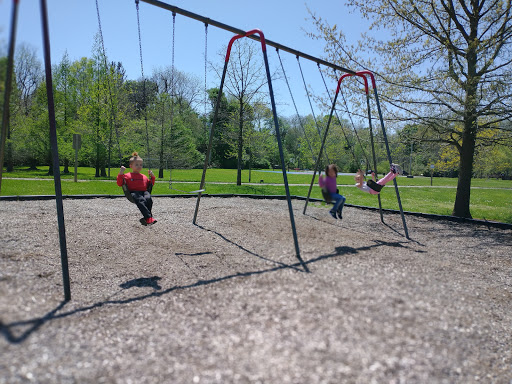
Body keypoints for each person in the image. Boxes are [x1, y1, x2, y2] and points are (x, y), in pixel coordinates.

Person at [117, 152, 157, 225]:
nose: (139, 166)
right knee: (141, 200)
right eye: (137, 165)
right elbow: (120, 183)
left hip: (144, 192)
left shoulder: (144, 176)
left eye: (141, 165)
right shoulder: (127, 176)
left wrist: (152, 177)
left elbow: (150, 184)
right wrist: (120, 173)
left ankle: (147, 218)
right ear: (131, 166)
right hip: (133, 193)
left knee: (149, 199)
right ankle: (148, 218)